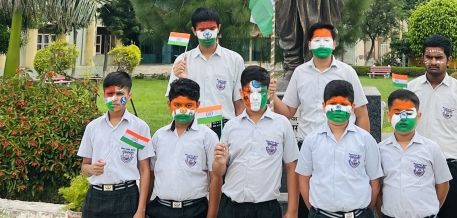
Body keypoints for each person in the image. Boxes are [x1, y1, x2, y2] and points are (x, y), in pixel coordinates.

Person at [407, 35, 457, 218]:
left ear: (449, 60)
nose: (433, 62)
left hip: (452, 169)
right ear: (422, 58)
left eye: (439, 57)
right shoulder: (410, 90)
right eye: (429, 57)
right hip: (417, 167)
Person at [213, 66, 299, 218]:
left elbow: (292, 166)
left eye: (260, 92)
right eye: (249, 92)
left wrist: (292, 210)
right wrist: (220, 162)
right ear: (241, 93)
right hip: (231, 208)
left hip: (266, 209)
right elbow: (219, 172)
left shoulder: (282, 125)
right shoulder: (231, 126)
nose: (255, 98)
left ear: (269, 92)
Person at [296, 80, 383, 218]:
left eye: (343, 104)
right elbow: (303, 180)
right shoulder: (311, 141)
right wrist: (314, 210)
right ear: (323, 106)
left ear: (353, 108)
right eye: (332, 104)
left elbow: (375, 182)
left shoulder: (366, 140)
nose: (337, 108)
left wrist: (365, 211)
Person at [273, 22, 370, 140]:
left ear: (334, 44)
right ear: (309, 45)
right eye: (317, 40)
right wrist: (271, 94)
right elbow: (288, 112)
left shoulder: (347, 72)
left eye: (326, 40)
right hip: (307, 142)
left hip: (341, 142)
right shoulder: (299, 72)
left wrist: (364, 145)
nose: (322, 44)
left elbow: (362, 115)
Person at [78, 71, 154, 218]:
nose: (114, 98)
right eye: (109, 94)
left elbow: (145, 170)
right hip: (96, 196)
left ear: (129, 95)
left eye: (120, 94)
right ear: (103, 95)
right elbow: (84, 167)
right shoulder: (93, 127)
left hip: (127, 196)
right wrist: (92, 169)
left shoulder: (139, 127)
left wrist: (141, 210)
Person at [147, 78, 220, 218]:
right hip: (161, 209)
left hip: (195, 210)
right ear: (169, 104)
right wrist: (143, 208)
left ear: (198, 105)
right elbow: (151, 174)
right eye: (177, 104)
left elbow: (215, 178)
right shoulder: (159, 136)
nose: (182, 110)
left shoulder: (208, 137)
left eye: (189, 105)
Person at [168, 7, 245, 138]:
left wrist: (240, 132)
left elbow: (239, 102)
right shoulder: (182, 61)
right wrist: (180, 79)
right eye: (202, 30)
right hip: (193, 127)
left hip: (225, 128)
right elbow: (174, 101)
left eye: (212, 29)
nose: (207, 34)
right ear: (194, 31)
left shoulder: (235, 60)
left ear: (219, 28)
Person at [377, 89, 452, 218]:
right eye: (397, 112)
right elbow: (378, 188)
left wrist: (430, 210)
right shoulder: (380, 150)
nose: (403, 117)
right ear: (388, 116)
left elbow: (443, 184)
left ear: (418, 116)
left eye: (409, 113)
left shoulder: (432, 148)